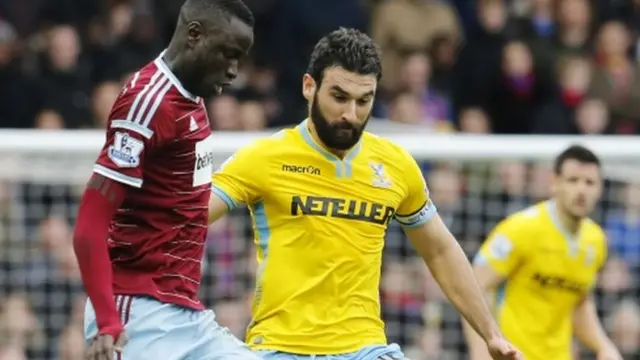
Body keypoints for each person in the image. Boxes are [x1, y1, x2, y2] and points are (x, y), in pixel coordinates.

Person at [208, 27, 523, 360]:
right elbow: (189, 217)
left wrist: (491, 334)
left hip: (366, 348)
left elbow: (440, 251)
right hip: (281, 348)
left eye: (364, 101)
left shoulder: (396, 165)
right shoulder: (264, 157)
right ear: (308, 87)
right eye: (339, 97)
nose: (351, 115)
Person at [71, 0, 259, 359]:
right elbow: (88, 226)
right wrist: (110, 321)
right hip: (137, 314)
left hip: (183, 313)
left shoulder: (193, 95)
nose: (234, 70)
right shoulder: (147, 104)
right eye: (228, 54)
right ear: (194, 35)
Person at [464, 145, 622, 360]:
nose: (581, 190)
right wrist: (481, 354)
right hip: (514, 356)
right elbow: (474, 289)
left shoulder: (596, 241)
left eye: (589, 183)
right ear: (554, 182)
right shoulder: (520, 229)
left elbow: (580, 301)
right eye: (573, 180)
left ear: (600, 189)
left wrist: (603, 346)